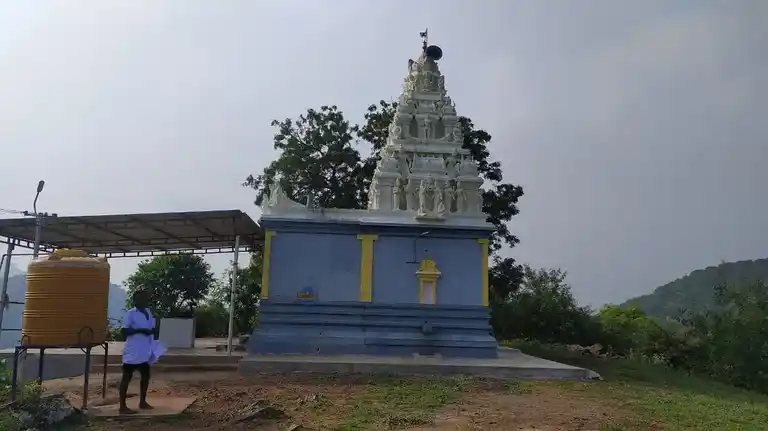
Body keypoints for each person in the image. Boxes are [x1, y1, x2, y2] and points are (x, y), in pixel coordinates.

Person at [119, 289, 157, 414]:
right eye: (139, 298)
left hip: (145, 351)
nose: (142, 300)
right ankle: (122, 406)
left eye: (144, 298)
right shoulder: (131, 313)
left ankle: (142, 402)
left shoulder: (148, 312)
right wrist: (140, 331)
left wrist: (152, 332)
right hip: (133, 351)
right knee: (126, 377)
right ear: (135, 300)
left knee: (146, 376)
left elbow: (151, 327)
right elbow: (124, 331)